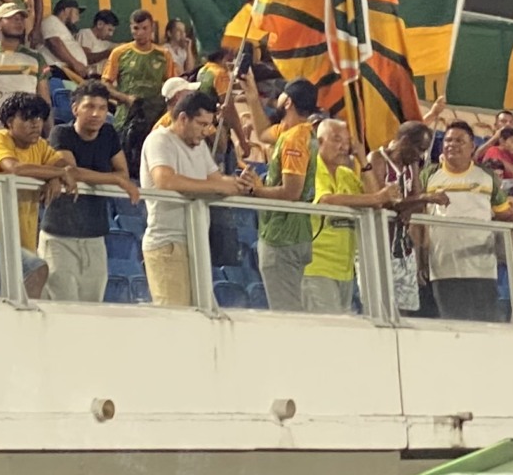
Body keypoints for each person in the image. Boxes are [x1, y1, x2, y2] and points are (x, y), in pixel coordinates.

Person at [140, 88, 253, 306]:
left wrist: (242, 184)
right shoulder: (159, 140)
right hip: (168, 244)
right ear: (183, 118)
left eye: (209, 125)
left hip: (197, 241)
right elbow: (166, 181)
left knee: (203, 315)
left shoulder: (200, 146)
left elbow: (217, 179)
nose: (206, 131)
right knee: (175, 320)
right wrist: (217, 187)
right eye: (201, 124)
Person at [0, 91, 74, 300]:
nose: (35, 124)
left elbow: (65, 167)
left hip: (18, 241)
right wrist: (58, 174)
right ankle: (27, 322)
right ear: (9, 122)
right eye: (27, 118)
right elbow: (13, 168)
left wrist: (55, 176)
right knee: (37, 269)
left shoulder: (40, 145)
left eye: (39, 118)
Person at [43, 80, 135, 302]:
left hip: (94, 234)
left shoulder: (109, 134)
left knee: (92, 305)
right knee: (62, 303)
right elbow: (71, 171)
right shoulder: (60, 133)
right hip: (59, 234)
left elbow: (123, 173)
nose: (96, 113)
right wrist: (112, 178)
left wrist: (114, 178)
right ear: (75, 109)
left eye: (102, 108)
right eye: (89, 107)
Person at [417, 121, 513, 321]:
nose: (452, 144)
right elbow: (418, 220)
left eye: (460, 141)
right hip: (443, 267)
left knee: (485, 327)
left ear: (472, 147)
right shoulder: (429, 175)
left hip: (482, 268)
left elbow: (504, 214)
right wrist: (421, 259)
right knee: (452, 327)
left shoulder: (486, 176)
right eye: (448, 140)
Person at [252, 78, 322, 313]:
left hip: (282, 236)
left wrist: (257, 190)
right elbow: (263, 132)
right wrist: (251, 90)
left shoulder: (294, 139)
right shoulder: (300, 132)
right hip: (296, 233)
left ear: (288, 101)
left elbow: (292, 191)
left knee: (287, 314)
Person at [103, 9, 173, 135]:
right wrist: (125, 98)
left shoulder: (164, 55)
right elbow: (105, 85)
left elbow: (172, 85)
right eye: (136, 28)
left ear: (152, 28)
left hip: (155, 118)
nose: (140, 33)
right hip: (126, 118)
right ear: (131, 28)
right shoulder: (119, 53)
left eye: (145, 28)